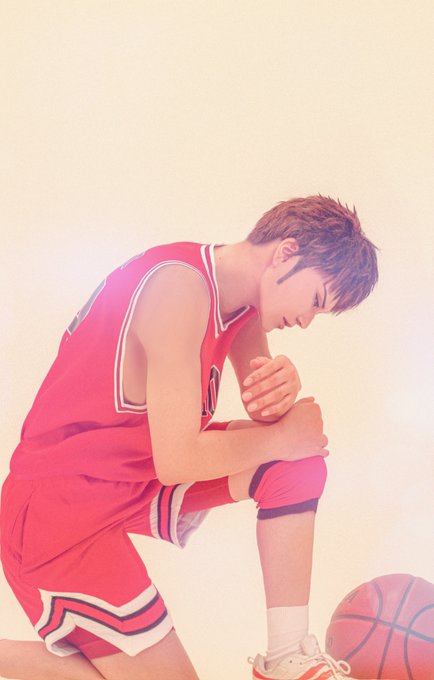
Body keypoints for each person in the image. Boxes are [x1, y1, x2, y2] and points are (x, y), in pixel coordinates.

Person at [0, 195, 378, 680]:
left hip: (129, 478)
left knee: (294, 464)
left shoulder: (240, 302)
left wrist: (281, 393)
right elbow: (178, 459)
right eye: (316, 301)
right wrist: (285, 435)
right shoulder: (179, 290)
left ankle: (288, 654)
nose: (306, 321)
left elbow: (268, 421)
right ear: (286, 252)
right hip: (59, 512)